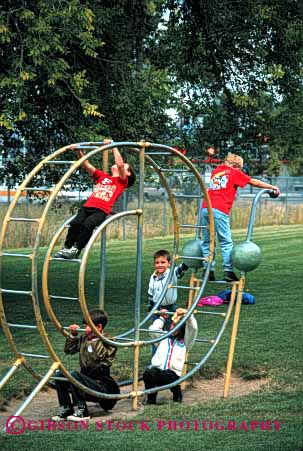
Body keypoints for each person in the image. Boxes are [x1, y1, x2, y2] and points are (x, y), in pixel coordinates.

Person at [201, 153, 280, 282]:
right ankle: (228, 271)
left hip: (206, 208)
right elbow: (252, 181)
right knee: (226, 242)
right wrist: (271, 187)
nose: (241, 171)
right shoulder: (233, 172)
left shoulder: (217, 171)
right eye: (240, 169)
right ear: (235, 166)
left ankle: (207, 271)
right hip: (220, 209)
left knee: (207, 241)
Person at [54, 139, 136, 259]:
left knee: (88, 224)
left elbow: (119, 164)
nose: (121, 165)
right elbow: (85, 164)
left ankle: (76, 249)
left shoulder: (122, 181)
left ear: (127, 173)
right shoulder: (102, 177)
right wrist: (78, 150)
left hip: (101, 211)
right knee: (75, 223)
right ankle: (67, 247)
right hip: (87, 207)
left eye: (124, 167)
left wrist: (113, 146)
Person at [52, 309, 120, 422]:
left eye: (88, 325)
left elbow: (99, 355)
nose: (85, 328)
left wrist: (95, 339)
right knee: (60, 376)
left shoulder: (109, 341)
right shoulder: (84, 338)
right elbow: (69, 350)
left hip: (101, 385)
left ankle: (82, 411)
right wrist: (73, 335)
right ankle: (66, 408)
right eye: (85, 325)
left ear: (98, 327)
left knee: (74, 376)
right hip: (85, 380)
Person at [143, 308, 198, 404]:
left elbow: (193, 329)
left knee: (168, 375)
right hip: (158, 370)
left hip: (172, 374)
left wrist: (188, 316)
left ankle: (177, 395)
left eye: (177, 326)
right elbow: (152, 330)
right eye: (173, 325)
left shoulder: (185, 341)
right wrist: (162, 318)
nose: (173, 328)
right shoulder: (163, 337)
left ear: (182, 328)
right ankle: (151, 399)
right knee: (148, 374)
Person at [148, 249, 188, 322]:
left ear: (169, 264)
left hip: (170, 307)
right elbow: (151, 295)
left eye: (163, 262)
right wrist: (150, 310)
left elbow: (182, 268)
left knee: (169, 327)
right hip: (157, 307)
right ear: (154, 264)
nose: (160, 265)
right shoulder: (152, 277)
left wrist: (189, 256)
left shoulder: (172, 273)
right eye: (157, 263)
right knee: (156, 328)